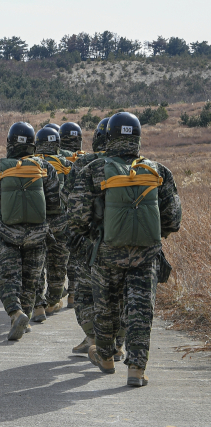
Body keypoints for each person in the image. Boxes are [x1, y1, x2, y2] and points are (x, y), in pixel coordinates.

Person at [67, 112, 181, 386]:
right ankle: (136, 371)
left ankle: (106, 358)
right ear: (138, 138)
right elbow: (173, 218)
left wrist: (94, 237)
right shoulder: (158, 170)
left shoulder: (92, 170)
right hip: (146, 254)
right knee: (141, 311)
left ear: (109, 137)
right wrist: (152, 235)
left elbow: (77, 215)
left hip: (107, 253)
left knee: (105, 307)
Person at [0, 122, 60, 341]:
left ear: (9, 142)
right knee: (31, 282)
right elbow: (55, 204)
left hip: (6, 234)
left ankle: (16, 313)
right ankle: (27, 317)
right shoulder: (45, 167)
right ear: (33, 143)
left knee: (8, 280)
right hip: (38, 236)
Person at [62, 117, 127, 357]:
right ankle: (117, 344)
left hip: (89, 242)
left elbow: (68, 196)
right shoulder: (132, 164)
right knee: (119, 295)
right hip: (124, 241)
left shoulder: (85, 163)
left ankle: (93, 337)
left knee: (85, 293)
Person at [30, 127, 73, 323]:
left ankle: (38, 306)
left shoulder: (32, 163)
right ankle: (53, 300)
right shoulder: (65, 163)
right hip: (61, 222)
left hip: (37, 221)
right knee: (58, 265)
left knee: (37, 264)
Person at [58, 122, 84, 306]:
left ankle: (54, 293)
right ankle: (73, 295)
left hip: (59, 214)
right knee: (75, 256)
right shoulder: (86, 158)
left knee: (58, 256)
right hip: (80, 215)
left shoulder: (55, 158)